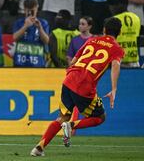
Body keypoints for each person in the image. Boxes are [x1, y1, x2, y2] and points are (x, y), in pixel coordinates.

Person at [30, 17, 124, 157]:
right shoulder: (116, 49)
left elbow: (73, 61)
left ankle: (38, 148)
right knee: (100, 117)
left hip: (69, 80)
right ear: (119, 32)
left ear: (104, 30)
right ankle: (71, 126)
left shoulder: (91, 41)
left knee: (62, 117)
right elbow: (116, 65)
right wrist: (114, 88)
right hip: (85, 86)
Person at [12, 0, 49, 67]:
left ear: (37, 8)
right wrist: (25, 26)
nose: (29, 13)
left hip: (38, 63)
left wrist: (40, 28)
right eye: (27, 10)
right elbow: (15, 38)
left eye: (32, 10)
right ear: (24, 9)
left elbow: (46, 41)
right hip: (20, 62)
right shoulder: (19, 22)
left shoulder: (43, 23)